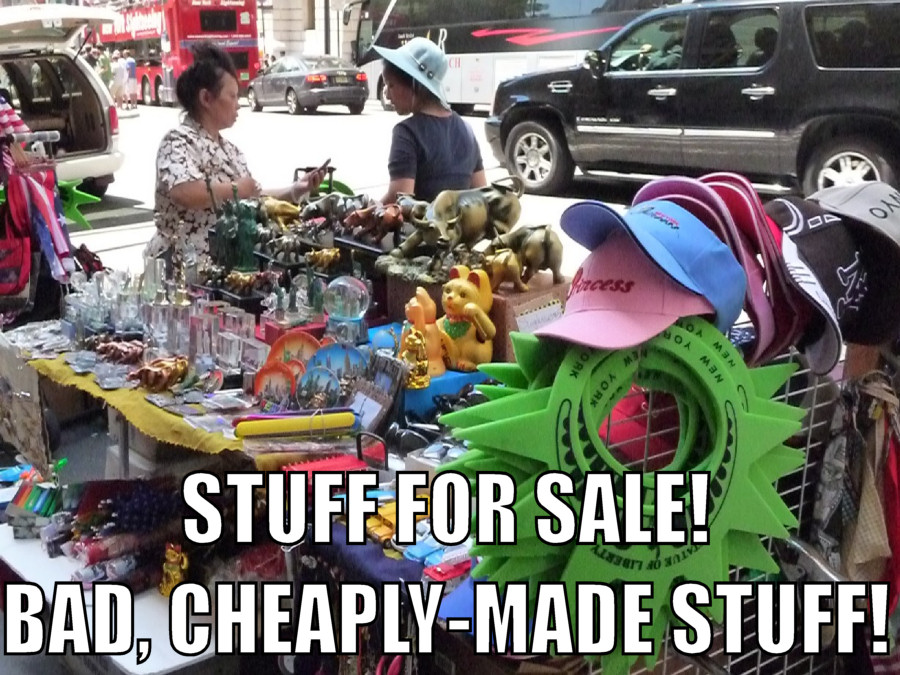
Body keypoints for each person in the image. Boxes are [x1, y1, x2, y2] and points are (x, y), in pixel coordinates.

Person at [145, 43, 325, 267]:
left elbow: (253, 195)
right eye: (232, 96)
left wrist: (295, 189)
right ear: (206, 98)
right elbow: (183, 191)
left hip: (226, 263)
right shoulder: (177, 140)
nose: (238, 105)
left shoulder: (231, 150)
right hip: (182, 263)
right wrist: (236, 189)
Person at [374, 37, 485, 205]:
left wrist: (366, 211)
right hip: (459, 222)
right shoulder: (466, 129)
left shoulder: (407, 133)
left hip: (422, 223)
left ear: (414, 84)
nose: (387, 95)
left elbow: (400, 201)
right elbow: (482, 194)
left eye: (391, 85)